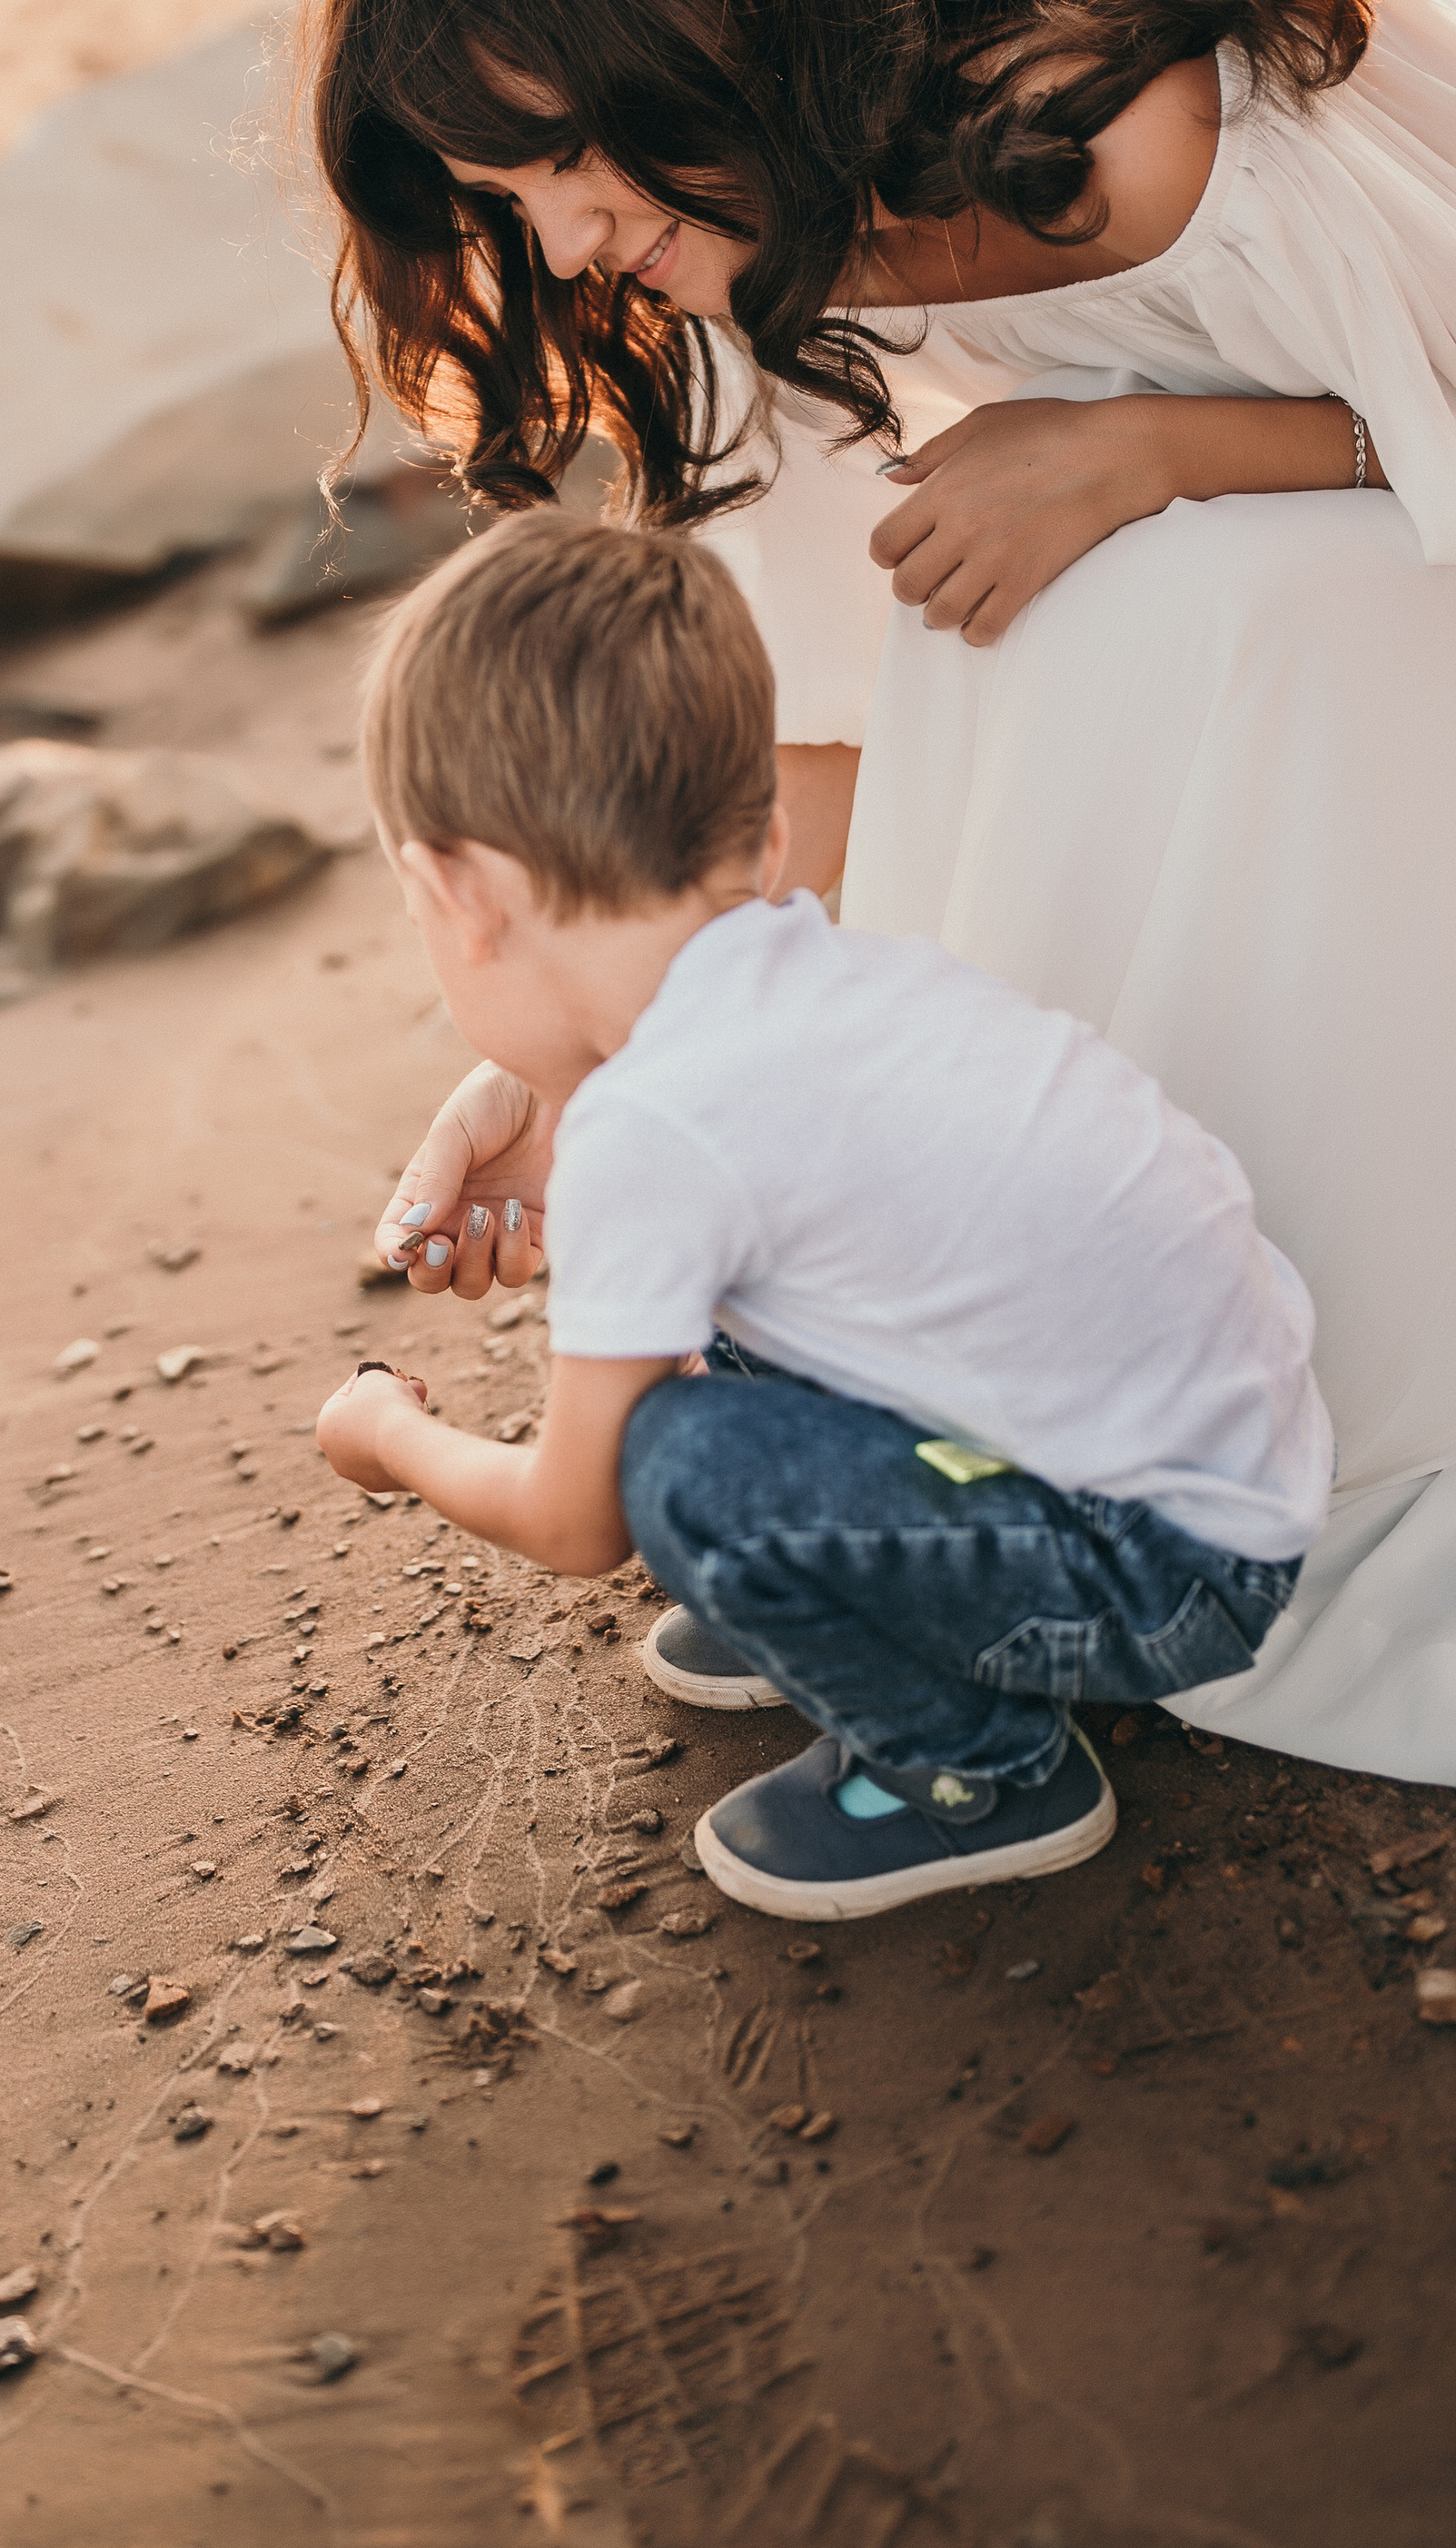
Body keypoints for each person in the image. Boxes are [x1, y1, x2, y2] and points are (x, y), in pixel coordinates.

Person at [306, 0, 1456, 1784]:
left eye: (558, 155)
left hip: (1390, 628)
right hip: (1321, 694)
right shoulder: (756, 254)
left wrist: (1155, 452)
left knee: (1173, 595)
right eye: (500, 199)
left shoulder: (1111, 111)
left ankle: (1319, 1410)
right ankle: (1056, 1460)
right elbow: (841, 747)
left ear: (681, 28)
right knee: (996, 609)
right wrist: (579, 1052)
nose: (555, 242)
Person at [314, 511, 1332, 1918]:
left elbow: (574, 1520)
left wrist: (386, 1433)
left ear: (458, 894)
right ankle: (868, 1589)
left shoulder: (656, 1127)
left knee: (676, 1467)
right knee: (737, 1342)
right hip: (1233, 1466)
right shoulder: (823, 977)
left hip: (1161, 1573)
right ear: (767, 836)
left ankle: (976, 1768)